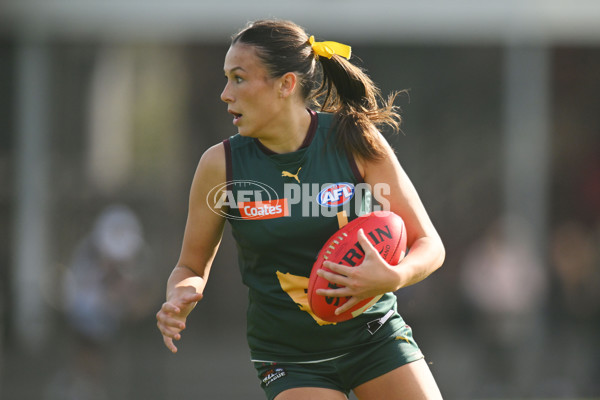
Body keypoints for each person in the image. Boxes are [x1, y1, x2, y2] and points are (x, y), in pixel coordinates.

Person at [156, 19, 445, 400]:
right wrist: (179, 295)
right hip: (290, 358)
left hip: (375, 338)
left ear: (286, 84)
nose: (225, 94)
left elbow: (428, 243)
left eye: (239, 79)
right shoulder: (220, 165)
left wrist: (394, 275)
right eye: (226, 79)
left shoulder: (354, 140)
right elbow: (191, 267)